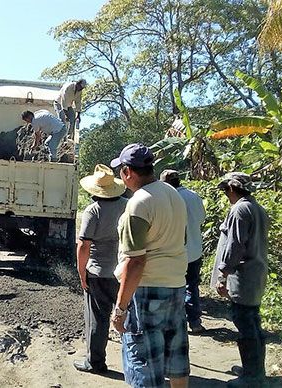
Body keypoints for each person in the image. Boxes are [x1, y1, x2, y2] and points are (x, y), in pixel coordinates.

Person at [110, 144, 190, 388]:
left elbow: (135, 262)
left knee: (143, 362)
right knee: (176, 358)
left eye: (120, 172)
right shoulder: (172, 193)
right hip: (176, 286)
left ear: (127, 172)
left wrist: (120, 309)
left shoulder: (139, 204)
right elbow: (182, 238)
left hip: (147, 291)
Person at [211, 172, 269, 387]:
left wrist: (223, 273)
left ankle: (252, 378)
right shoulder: (256, 207)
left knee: (245, 325)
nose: (226, 195)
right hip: (256, 273)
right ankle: (254, 369)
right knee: (252, 321)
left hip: (244, 275)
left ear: (232, 189)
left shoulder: (240, 210)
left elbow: (235, 245)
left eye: (225, 190)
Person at [73, 164, 127, 374]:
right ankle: (137, 361)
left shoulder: (93, 211)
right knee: (127, 317)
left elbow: (84, 245)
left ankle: (95, 362)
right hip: (124, 272)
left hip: (98, 273)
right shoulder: (128, 206)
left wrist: (81, 273)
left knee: (98, 318)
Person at [160, 169, 206, 333]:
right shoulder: (193, 195)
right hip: (194, 250)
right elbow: (201, 218)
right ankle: (195, 322)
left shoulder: (167, 198)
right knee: (191, 286)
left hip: (173, 251)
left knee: (171, 287)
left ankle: (173, 323)